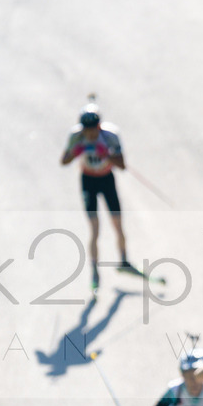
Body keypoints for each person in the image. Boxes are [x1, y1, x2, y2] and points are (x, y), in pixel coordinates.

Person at [60, 102, 138, 291]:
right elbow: (64, 161)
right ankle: (95, 269)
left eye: (93, 130)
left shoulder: (110, 135)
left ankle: (124, 260)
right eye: (87, 131)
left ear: (99, 126)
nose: (90, 135)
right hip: (89, 181)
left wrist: (107, 155)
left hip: (106, 179)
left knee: (117, 223)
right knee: (95, 228)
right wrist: (75, 151)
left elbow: (122, 165)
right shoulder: (76, 136)